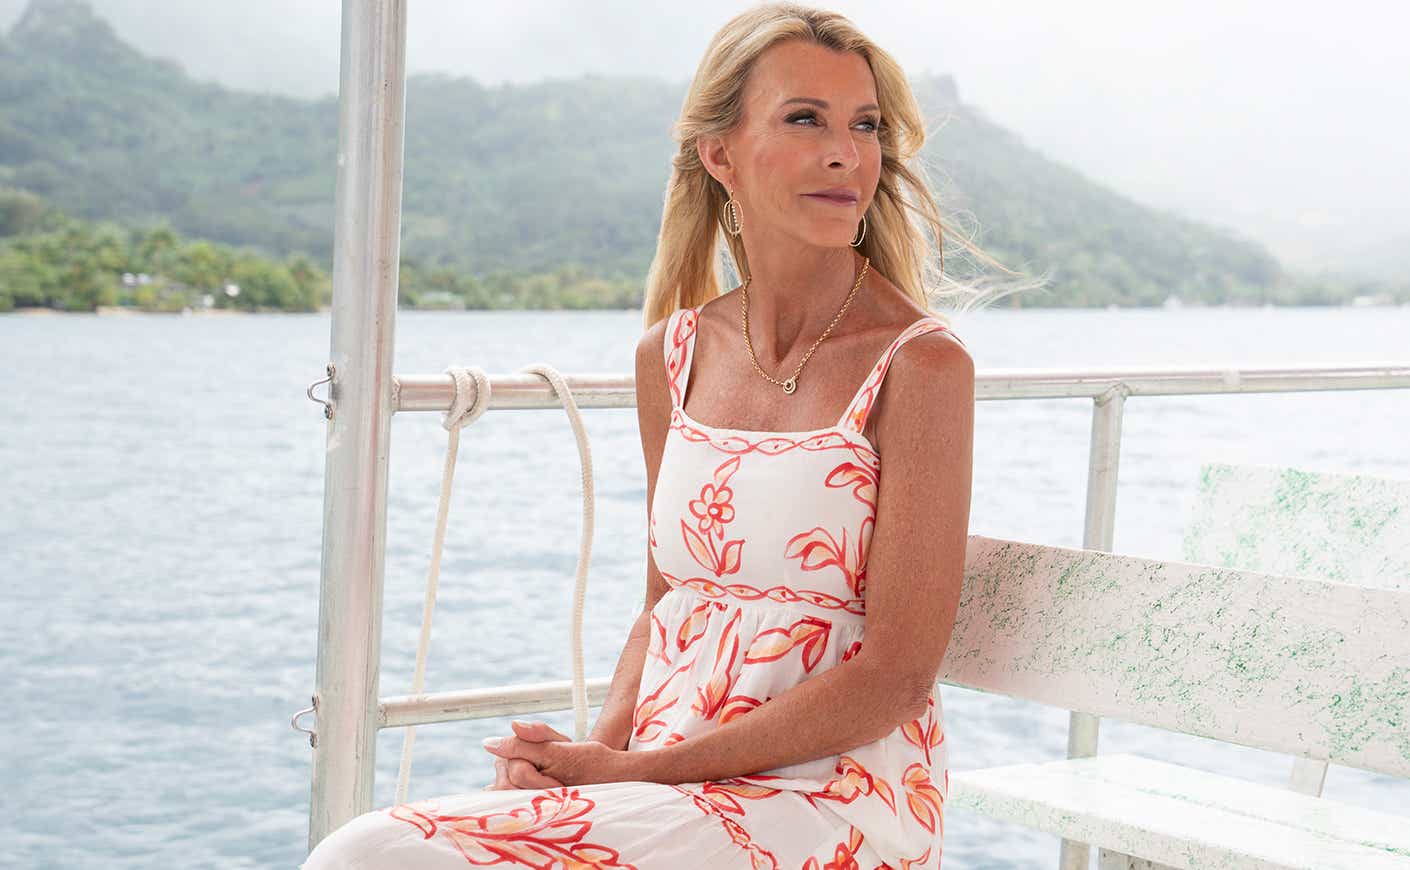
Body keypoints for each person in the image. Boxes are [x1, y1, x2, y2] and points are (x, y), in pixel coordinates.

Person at [304, 2, 987, 866]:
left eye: (864, 125)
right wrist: (590, 764)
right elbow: (665, 606)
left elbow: (896, 677)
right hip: (671, 779)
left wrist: (642, 770)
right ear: (720, 153)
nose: (845, 152)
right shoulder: (674, 354)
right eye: (805, 118)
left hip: (835, 796)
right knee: (366, 848)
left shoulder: (919, 367)